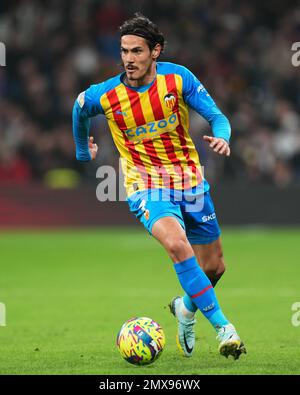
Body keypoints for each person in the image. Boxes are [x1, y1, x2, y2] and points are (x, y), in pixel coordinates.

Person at [72, 13, 246, 360]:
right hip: (144, 183)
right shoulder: (106, 95)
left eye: (137, 51)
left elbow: (218, 117)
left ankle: (185, 308)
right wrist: (82, 149)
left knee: (214, 267)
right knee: (177, 244)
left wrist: (224, 138)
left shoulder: (178, 79)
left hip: (188, 179)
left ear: (155, 52)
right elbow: (79, 107)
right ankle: (225, 328)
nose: (129, 59)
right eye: (124, 51)